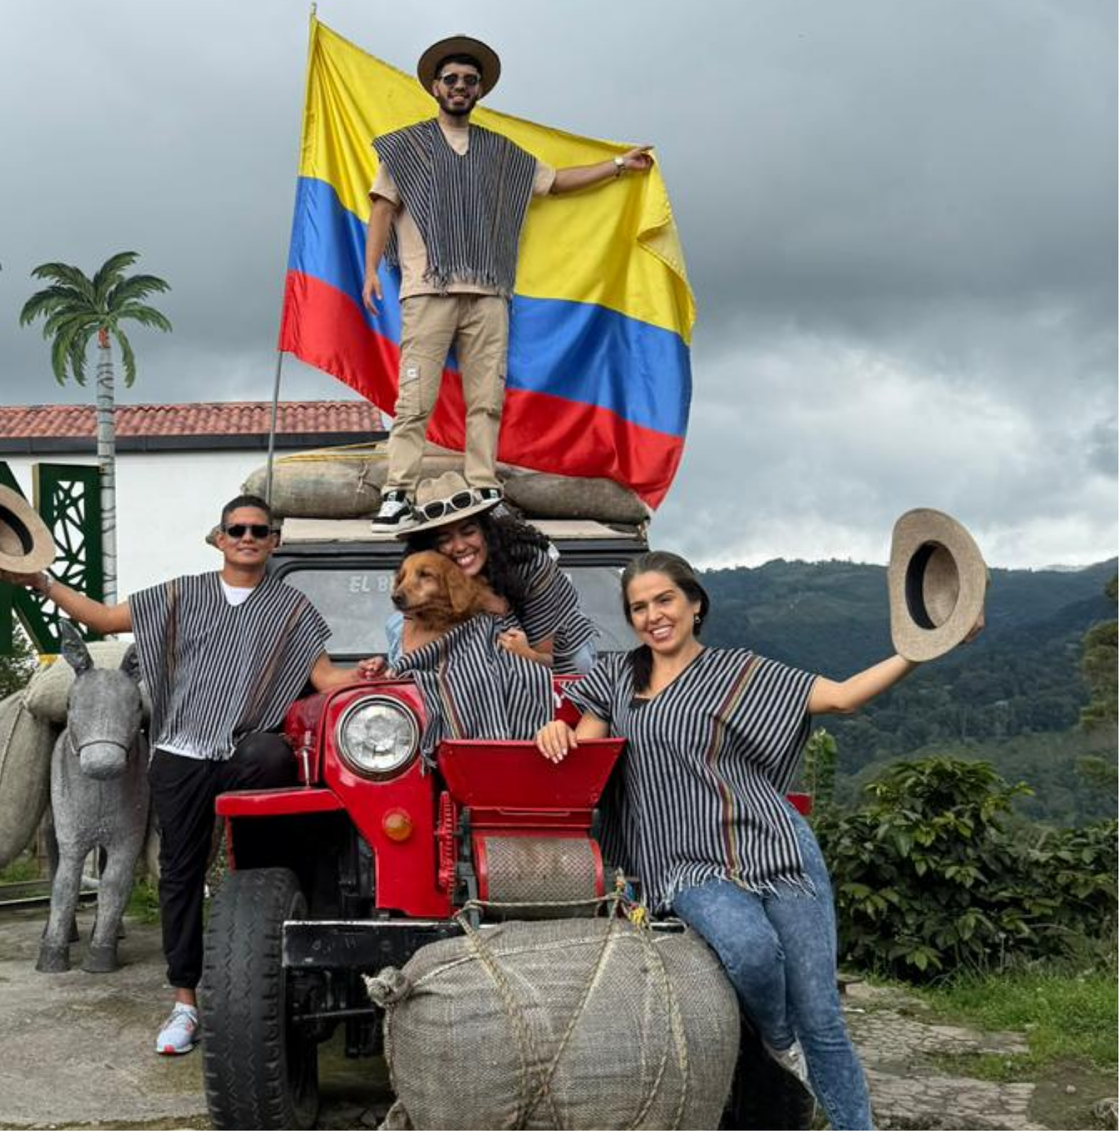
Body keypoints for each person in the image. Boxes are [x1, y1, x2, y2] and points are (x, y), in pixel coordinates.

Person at [535, 551, 984, 1131]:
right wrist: (558, 729)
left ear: (695, 604)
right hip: (683, 864)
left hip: (776, 849)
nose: (653, 616)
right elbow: (585, 754)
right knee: (750, 952)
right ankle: (781, 1046)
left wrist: (924, 648)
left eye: (664, 600)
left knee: (822, 1017)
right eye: (639, 607)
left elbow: (843, 697)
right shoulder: (616, 677)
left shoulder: (739, 672)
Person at [1, 495, 382, 1056]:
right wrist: (41, 584)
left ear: (274, 541)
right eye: (238, 529)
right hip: (181, 752)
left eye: (260, 530)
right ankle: (185, 1004)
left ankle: (270, 948)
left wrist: (370, 674)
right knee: (180, 872)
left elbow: (325, 678)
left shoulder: (292, 608)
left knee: (272, 771)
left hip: (243, 753)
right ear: (219, 538)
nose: (248, 537)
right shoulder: (183, 593)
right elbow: (106, 619)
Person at [364, 34, 654, 533]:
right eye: (451, 79)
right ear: (435, 87)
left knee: (486, 398)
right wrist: (369, 272)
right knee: (415, 398)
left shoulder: (502, 153)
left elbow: (556, 182)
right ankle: (397, 492)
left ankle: (482, 487)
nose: (460, 87)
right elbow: (382, 209)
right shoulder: (406, 147)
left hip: (489, 294)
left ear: (479, 92)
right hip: (427, 290)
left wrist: (619, 166)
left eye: (469, 81)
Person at [384, 472, 600, 674]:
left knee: (577, 663)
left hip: (549, 651)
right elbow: (411, 652)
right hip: (484, 656)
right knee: (397, 623)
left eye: (468, 532)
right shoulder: (425, 573)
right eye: (444, 540)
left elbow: (547, 657)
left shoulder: (530, 565)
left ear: (486, 531)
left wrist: (527, 654)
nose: (459, 547)